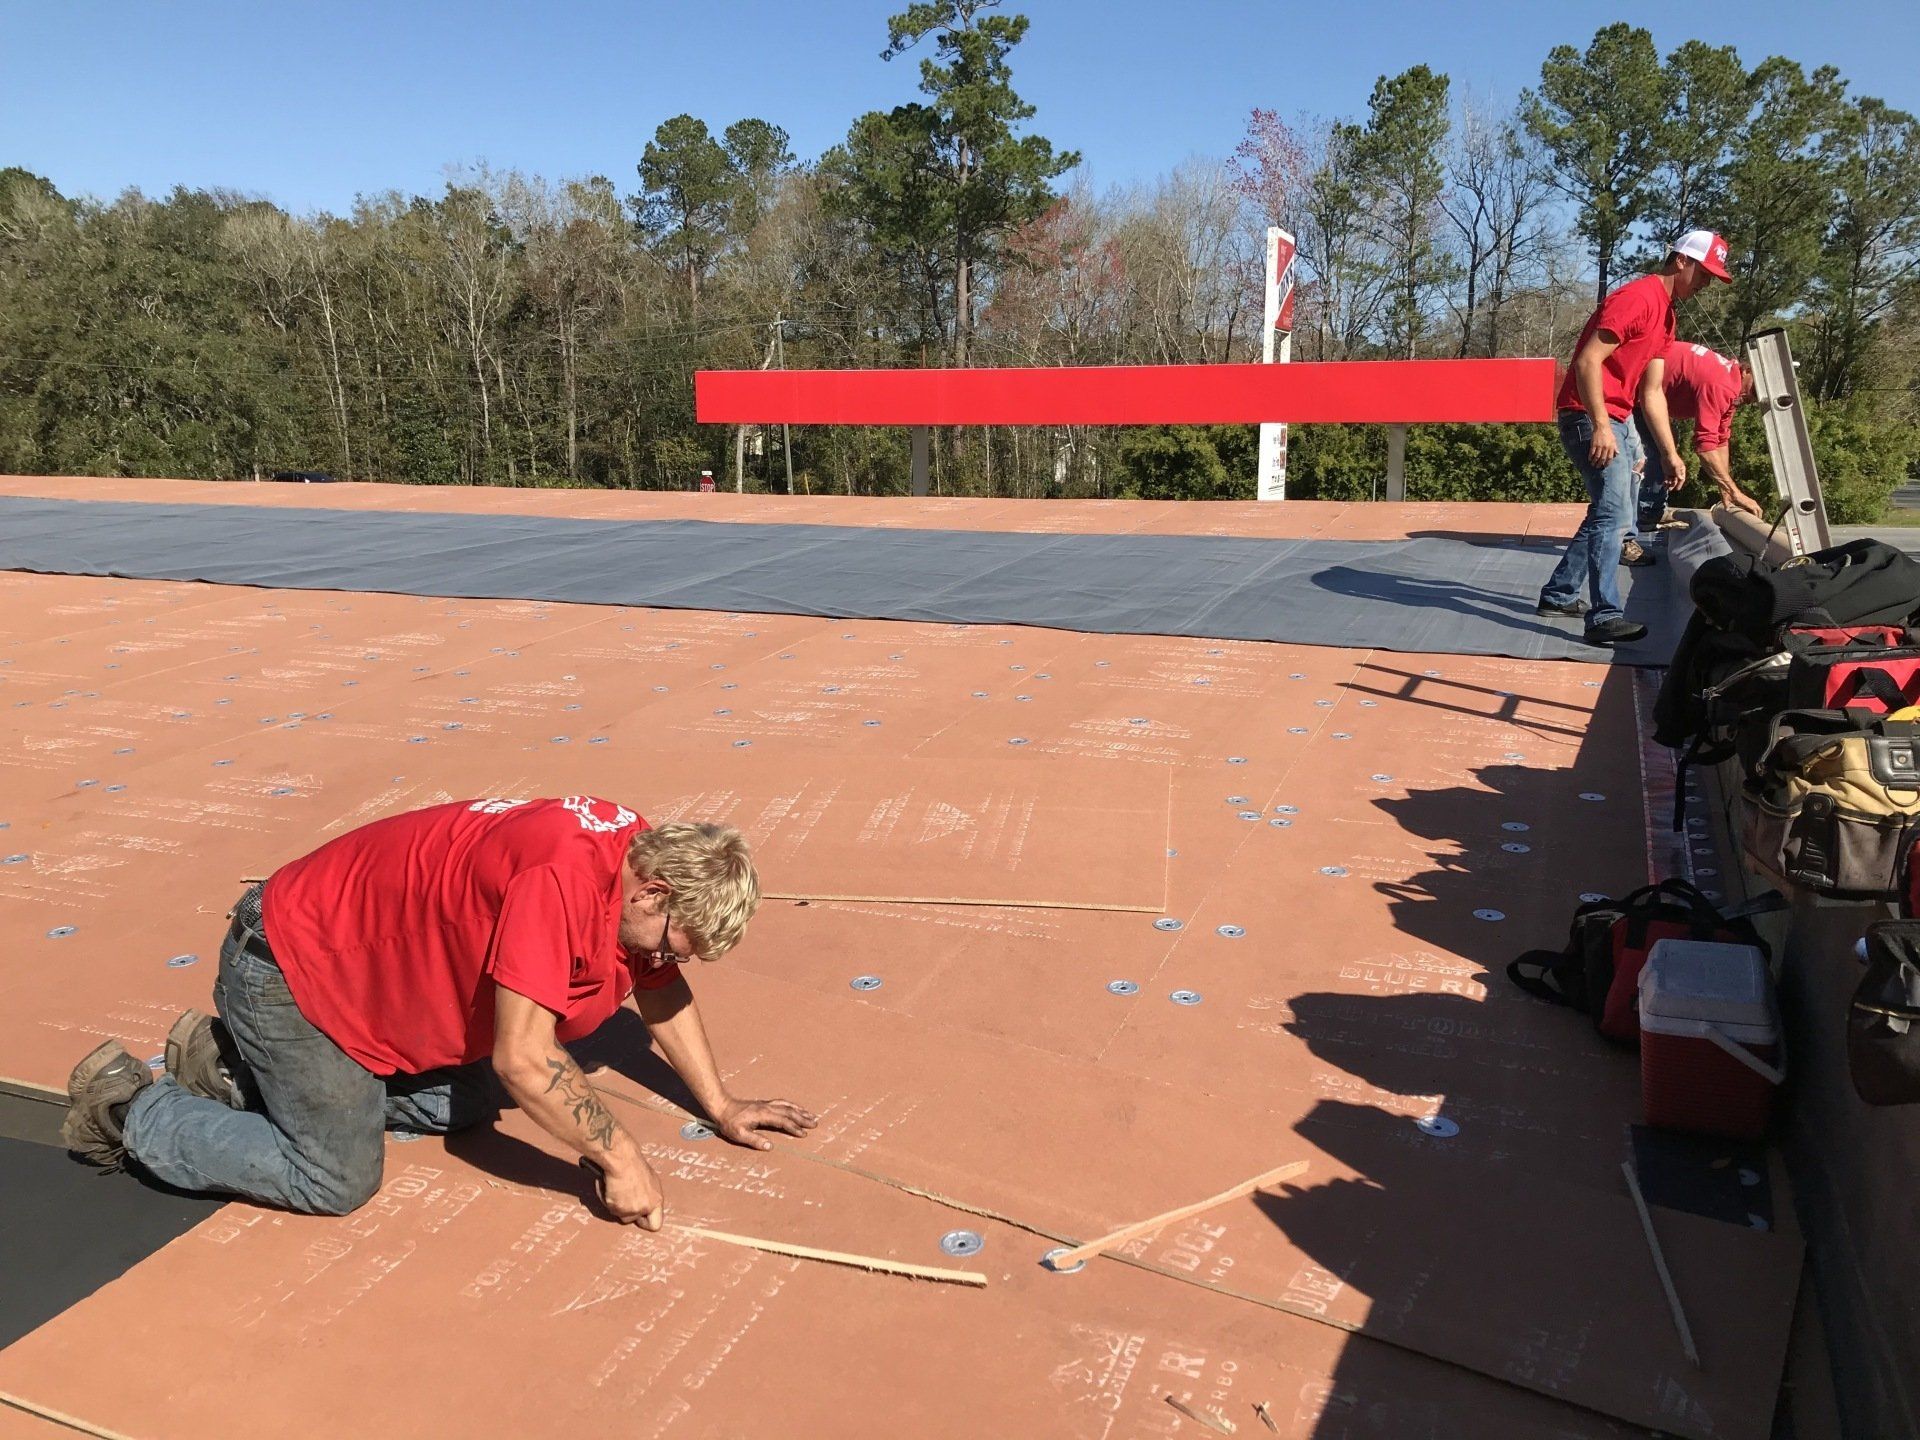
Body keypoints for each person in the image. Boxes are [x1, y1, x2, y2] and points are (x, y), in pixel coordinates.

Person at [60, 795, 816, 1227]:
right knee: (336, 1177)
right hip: (292, 970)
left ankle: (231, 1072)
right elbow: (526, 1056)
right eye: (674, 943)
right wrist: (623, 1160)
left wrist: (721, 1104)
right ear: (654, 892)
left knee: (491, 1092)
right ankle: (130, 1108)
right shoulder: (561, 881)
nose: (667, 963)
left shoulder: (638, 857)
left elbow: (654, 988)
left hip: (356, 975)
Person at [1537, 229, 1734, 644]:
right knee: (1614, 515)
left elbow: (1651, 392)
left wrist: (1669, 453)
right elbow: (1589, 361)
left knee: (1609, 512)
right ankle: (1605, 615)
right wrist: (1603, 427)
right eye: (1704, 273)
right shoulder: (1639, 298)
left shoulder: (1667, 315)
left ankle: (1559, 594)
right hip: (1589, 414)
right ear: (1681, 261)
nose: (1706, 284)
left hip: (1620, 417)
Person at [1631, 340, 1764, 540]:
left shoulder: (1732, 383)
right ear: (1747, 371)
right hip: (1632, 390)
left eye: (1757, 398)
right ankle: (1635, 524)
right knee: (1657, 453)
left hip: (1649, 392)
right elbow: (1705, 446)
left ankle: (1651, 510)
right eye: (1754, 391)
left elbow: (1720, 439)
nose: (1752, 399)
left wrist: (1725, 489)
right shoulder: (1723, 385)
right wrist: (1735, 492)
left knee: (1666, 447)